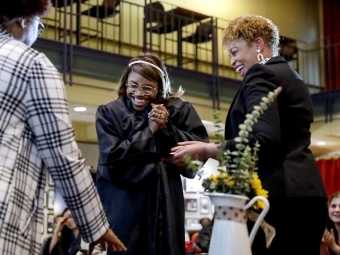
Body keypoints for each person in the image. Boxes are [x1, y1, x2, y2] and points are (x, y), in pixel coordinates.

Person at [165, 14, 328, 255]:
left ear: (259, 44)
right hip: (308, 195)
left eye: (235, 51)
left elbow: (262, 141)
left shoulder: (261, 73)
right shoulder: (293, 76)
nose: (232, 61)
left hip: (278, 199)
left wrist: (206, 149)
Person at [0, 1, 126, 254]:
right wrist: (96, 225)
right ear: (25, 18)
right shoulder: (31, 63)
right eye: (41, 24)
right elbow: (62, 153)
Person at [95, 52, 209, 255]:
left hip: (166, 207)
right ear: (125, 83)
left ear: (160, 87)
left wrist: (167, 129)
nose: (139, 93)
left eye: (147, 87)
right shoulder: (110, 113)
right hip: (127, 208)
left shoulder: (179, 111)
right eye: (133, 85)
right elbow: (113, 161)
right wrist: (150, 131)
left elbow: (196, 156)